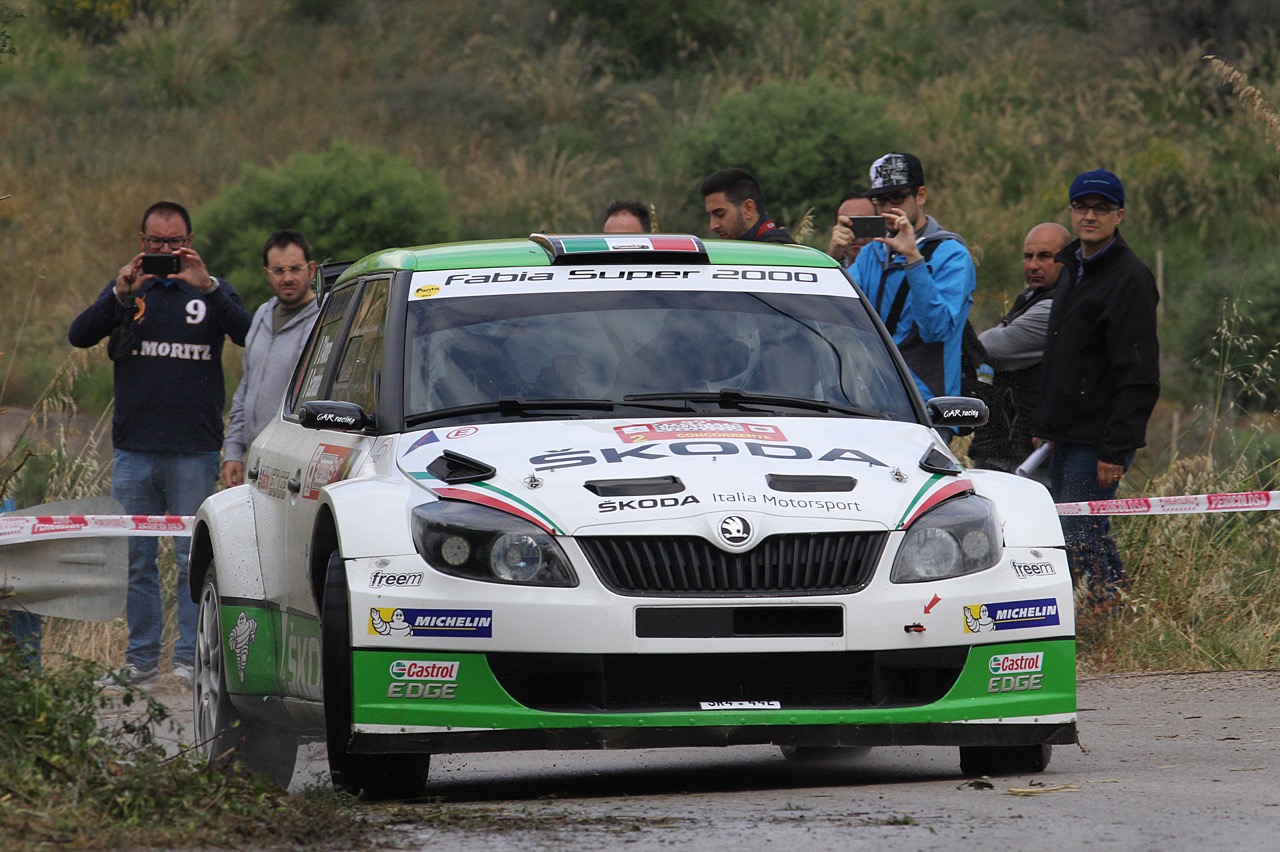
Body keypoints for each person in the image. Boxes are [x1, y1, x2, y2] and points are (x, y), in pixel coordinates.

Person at [69, 201, 250, 687]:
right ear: (141, 242)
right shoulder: (128, 291)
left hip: (194, 448)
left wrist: (207, 286)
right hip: (135, 448)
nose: (165, 251)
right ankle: (141, 660)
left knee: (192, 558)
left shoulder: (209, 291)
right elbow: (79, 335)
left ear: (190, 241)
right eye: (155, 243)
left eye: (174, 243)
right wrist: (118, 294)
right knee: (136, 559)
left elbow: (249, 332)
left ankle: (191, 659)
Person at [1036, 170, 1159, 606]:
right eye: (1081, 207)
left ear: (1119, 215)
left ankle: (1106, 615)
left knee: (1080, 533)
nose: (1090, 216)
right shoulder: (1073, 267)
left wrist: (1115, 447)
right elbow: (1063, 356)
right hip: (1065, 434)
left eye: (1101, 208)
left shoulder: (1130, 278)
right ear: (1071, 211)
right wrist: (1047, 421)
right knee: (1071, 532)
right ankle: (1100, 611)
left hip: (1098, 439)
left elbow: (1138, 372)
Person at [852, 153, 977, 432]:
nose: (887, 208)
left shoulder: (953, 256)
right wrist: (836, 257)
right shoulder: (873, 252)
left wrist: (913, 259)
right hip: (870, 401)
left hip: (926, 408)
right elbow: (841, 315)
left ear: (920, 195)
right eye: (880, 200)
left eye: (896, 198)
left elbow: (937, 330)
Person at [969, 222, 1072, 481]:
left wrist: (995, 332)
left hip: (1031, 459)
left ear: (1066, 259)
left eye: (1046, 256)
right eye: (1028, 256)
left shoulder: (1057, 306)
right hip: (1002, 447)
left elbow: (991, 347)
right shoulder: (1030, 298)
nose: (1034, 265)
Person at [221, 230, 322, 489]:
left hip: (296, 464)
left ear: (311, 270)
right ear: (267, 274)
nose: (287, 278)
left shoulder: (325, 320)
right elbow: (246, 387)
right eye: (278, 270)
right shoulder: (262, 315)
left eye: (295, 269)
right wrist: (233, 451)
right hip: (256, 460)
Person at [701, 168, 794, 243]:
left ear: (748, 209)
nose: (712, 226)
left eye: (720, 214)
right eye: (710, 216)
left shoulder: (772, 255)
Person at [826, 191, 878, 267]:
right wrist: (832, 258)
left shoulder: (890, 267)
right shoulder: (834, 266)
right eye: (847, 226)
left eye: (862, 224)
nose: (854, 235)